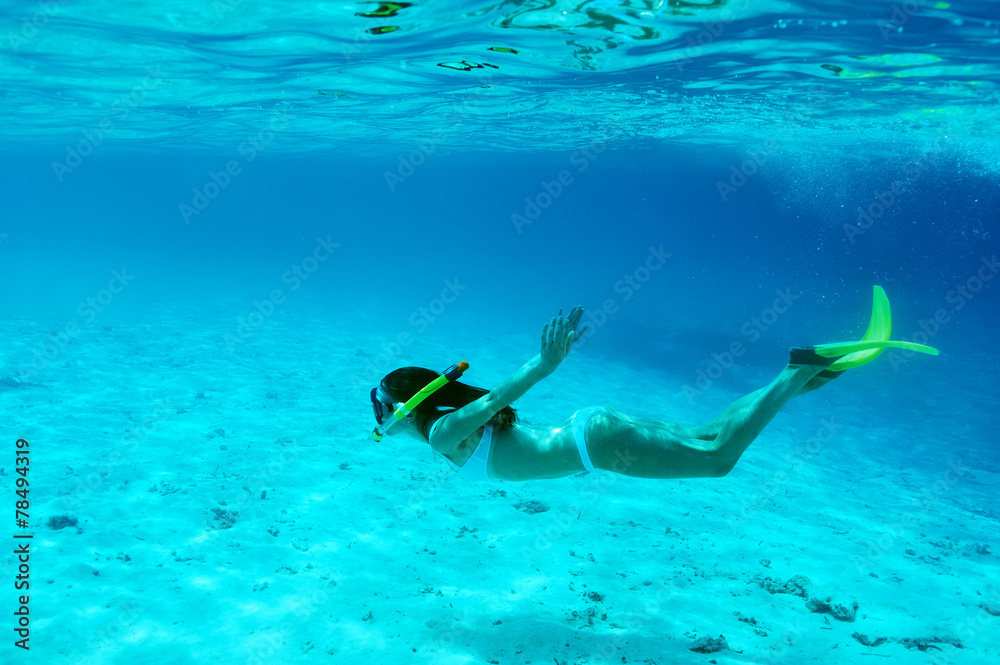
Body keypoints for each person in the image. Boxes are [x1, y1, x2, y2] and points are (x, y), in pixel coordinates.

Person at [370, 292, 936, 482]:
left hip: (600, 444)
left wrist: (543, 366)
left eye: (379, 407)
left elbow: (495, 400)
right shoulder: (441, 431)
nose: (377, 420)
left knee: (717, 458)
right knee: (712, 433)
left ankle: (798, 368)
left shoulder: (444, 433)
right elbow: (488, 410)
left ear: (403, 406)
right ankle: (805, 372)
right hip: (595, 431)